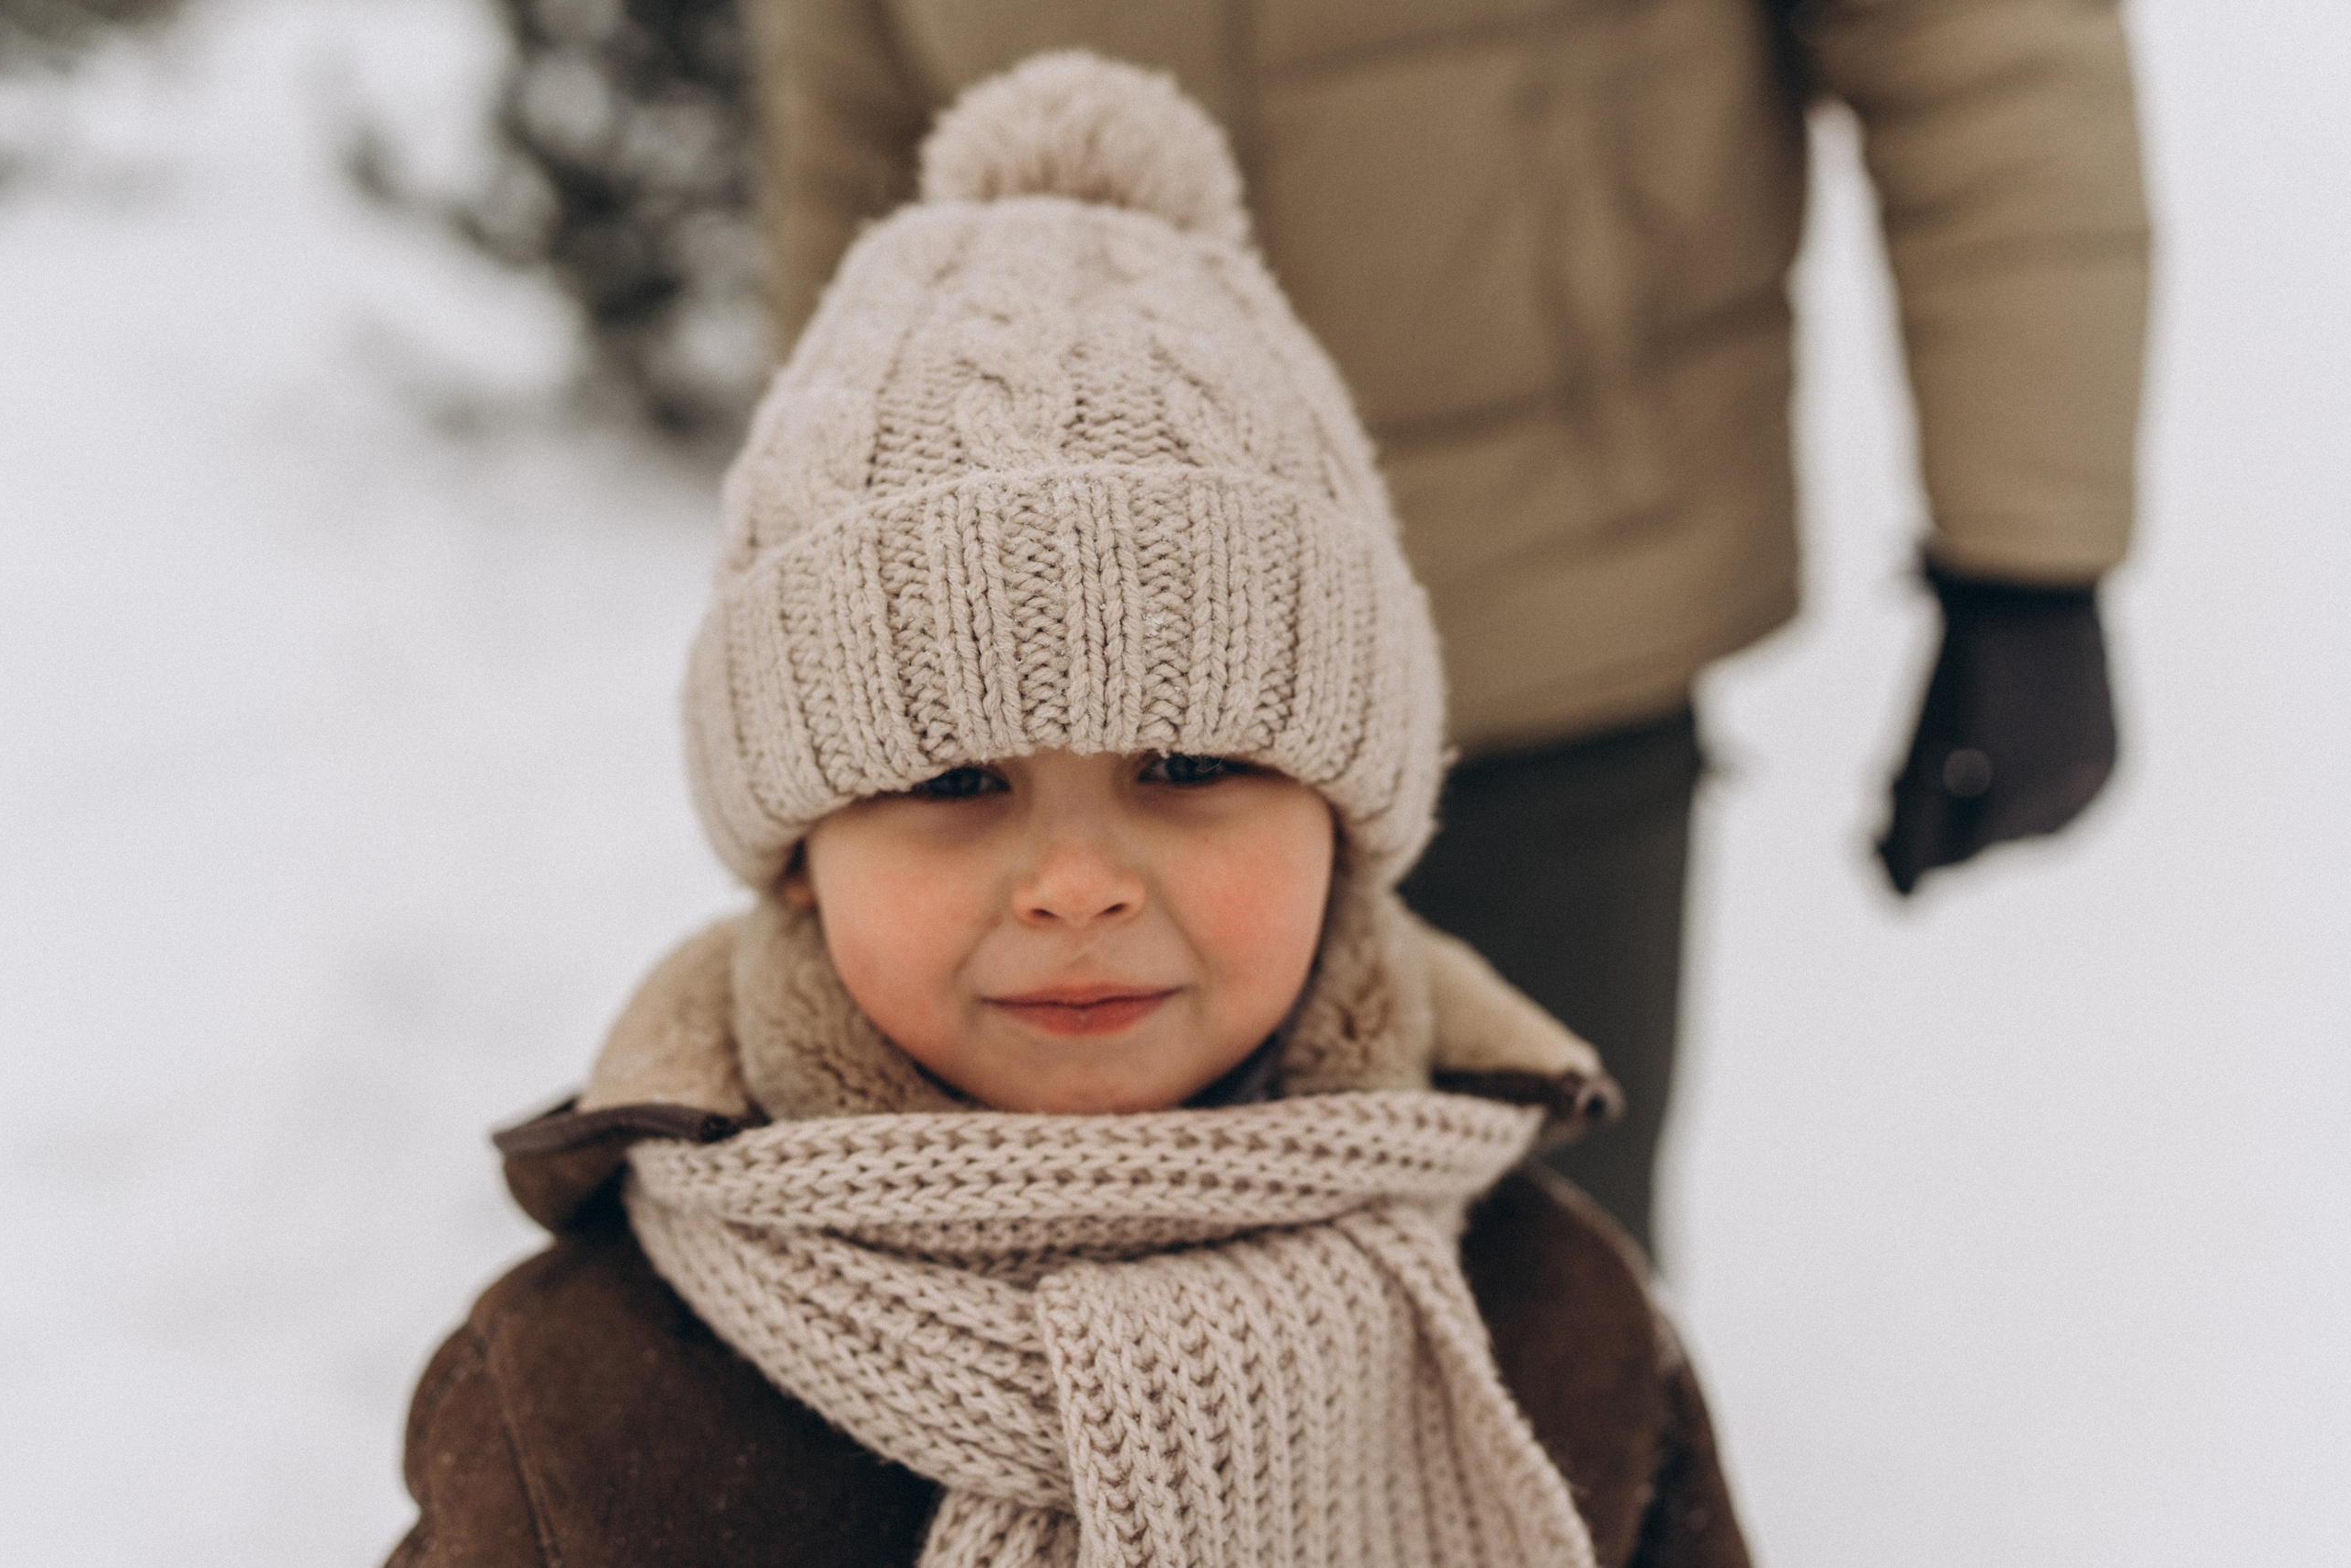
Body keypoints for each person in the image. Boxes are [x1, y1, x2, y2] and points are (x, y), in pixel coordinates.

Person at [386, 56, 1748, 1568]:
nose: (1079, 882)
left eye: (1190, 763)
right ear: (796, 863)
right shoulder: (594, 1405)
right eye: (957, 781)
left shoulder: (1551, 1328)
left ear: (1346, 832)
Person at [735, 0, 2150, 1256]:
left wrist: (2028, 556)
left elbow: (1980, 39)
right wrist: (832, 616)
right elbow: (854, 142)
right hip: (1038, 667)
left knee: (1538, 1276)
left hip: (1547, 616)